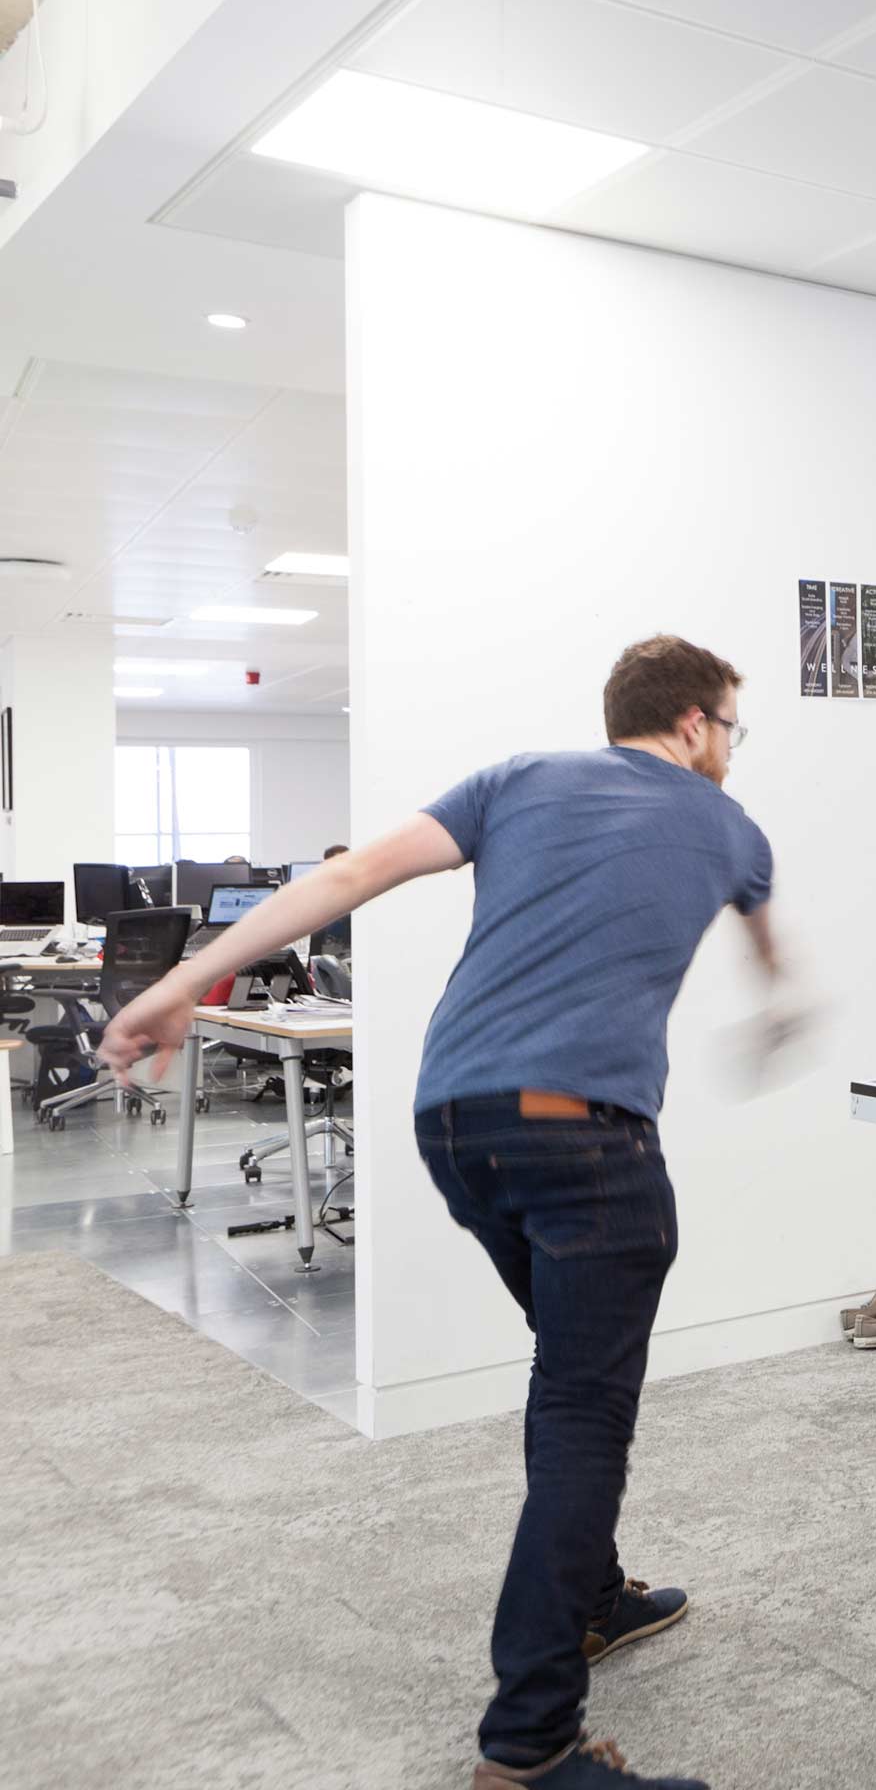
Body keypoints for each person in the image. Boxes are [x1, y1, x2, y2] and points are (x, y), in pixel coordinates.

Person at [99, 635, 784, 1790]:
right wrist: (776, 1009)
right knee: (580, 1408)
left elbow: (344, 879)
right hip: (590, 1141)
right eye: (732, 726)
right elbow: (773, 962)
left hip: (454, 1126)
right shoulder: (735, 830)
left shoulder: (516, 780)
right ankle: (530, 1747)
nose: (730, 749)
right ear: (691, 725)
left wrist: (177, 988)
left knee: (567, 1368)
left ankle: (595, 1595)